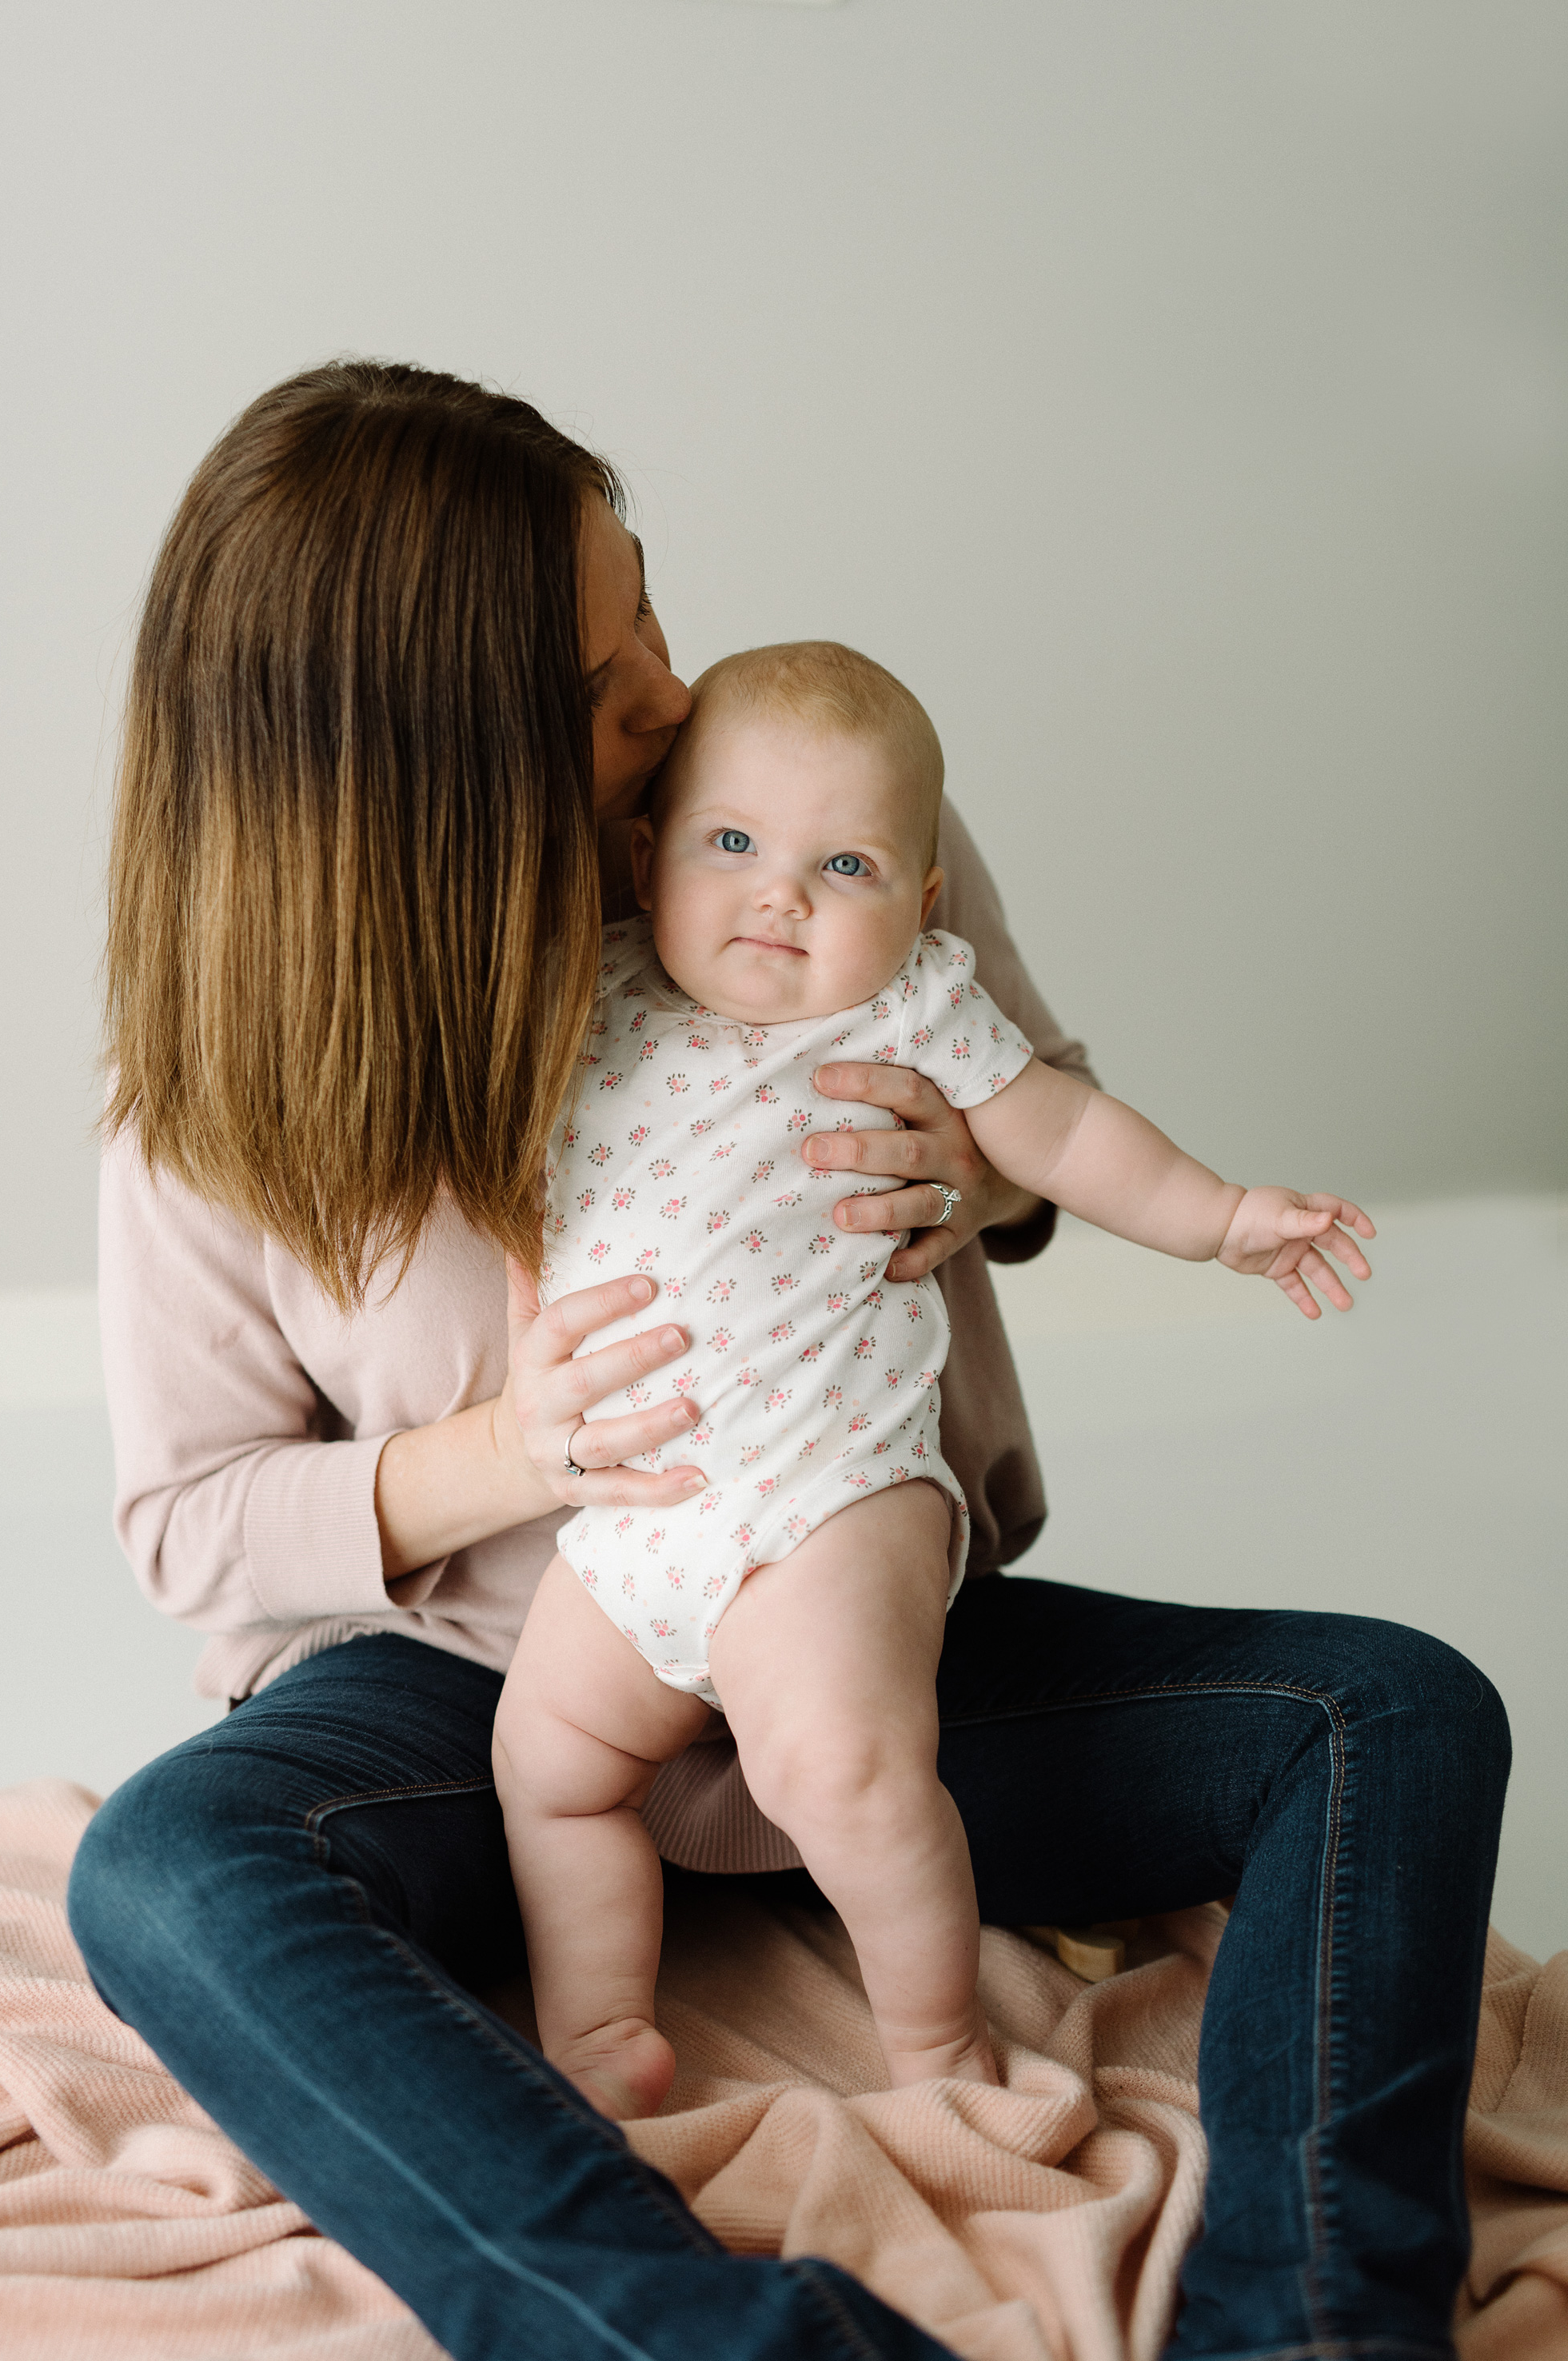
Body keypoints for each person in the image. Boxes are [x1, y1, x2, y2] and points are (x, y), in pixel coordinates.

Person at [66, 360, 1508, 2361]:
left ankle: (1312, 2350)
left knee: (1392, 1712)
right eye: (600, 681)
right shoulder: (224, 1085)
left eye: (645, 606)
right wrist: (506, 1452)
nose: (669, 692)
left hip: (849, 1630)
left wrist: (969, 1181)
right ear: (432, 761)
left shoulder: (817, 817)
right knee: (163, 1872)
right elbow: (191, 1525)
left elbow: (1046, 1120)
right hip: (490, 1697)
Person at [495, 639, 1376, 2123]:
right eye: (733, 845)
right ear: (647, 861)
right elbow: (526, 1202)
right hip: (638, 1513)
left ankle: (933, 2046)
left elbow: (1071, 1134)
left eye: (844, 865)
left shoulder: (911, 1011)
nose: (781, 893)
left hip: (828, 1496)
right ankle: (598, 2027)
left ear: (921, 904)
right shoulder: (591, 997)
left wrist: (1222, 1218)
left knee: (840, 1766)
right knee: (550, 1760)